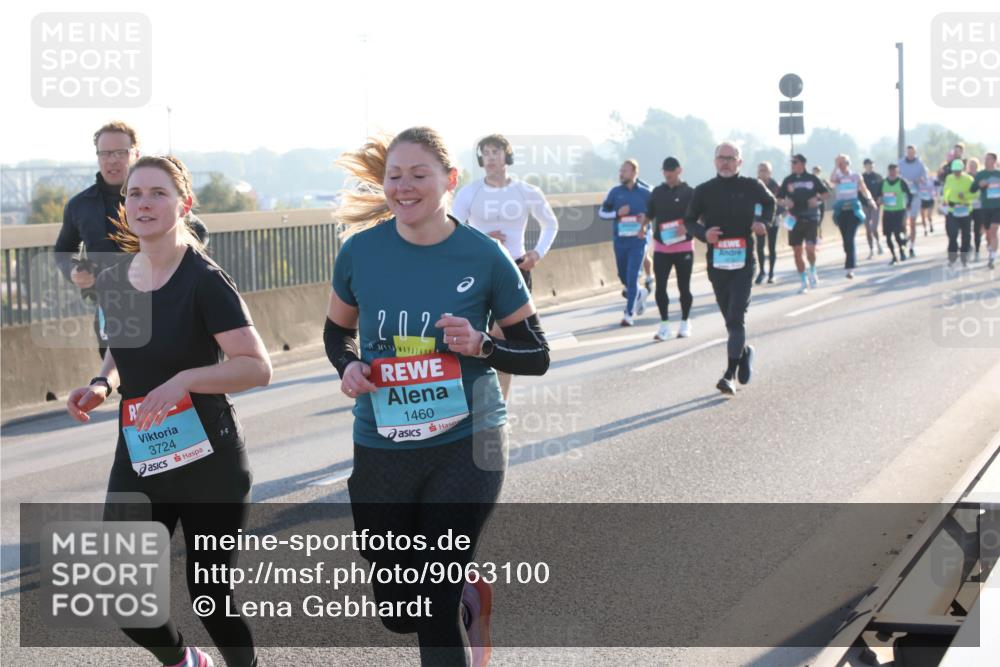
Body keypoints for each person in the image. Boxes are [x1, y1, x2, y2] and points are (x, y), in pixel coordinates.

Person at [326, 127, 550, 666]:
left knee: (432, 602)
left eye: (419, 175)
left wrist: (482, 345)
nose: (404, 187)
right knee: (399, 610)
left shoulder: (484, 257)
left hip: (469, 442)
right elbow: (337, 333)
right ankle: (471, 594)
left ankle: (454, 594)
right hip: (382, 443)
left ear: (450, 181)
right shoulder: (360, 252)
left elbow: (537, 353)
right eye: (394, 177)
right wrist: (349, 364)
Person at [64, 155, 271, 667]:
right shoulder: (117, 277)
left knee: (210, 598)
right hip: (141, 455)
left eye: (158, 193)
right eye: (135, 194)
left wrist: (184, 380)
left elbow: (256, 367)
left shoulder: (205, 279)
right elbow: (122, 346)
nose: (144, 203)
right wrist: (101, 382)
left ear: (184, 203)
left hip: (209, 460)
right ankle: (184, 662)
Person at [55, 121, 208, 360]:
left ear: (136, 154)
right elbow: (63, 250)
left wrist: (168, 268)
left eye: (120, 153)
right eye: (105, 153)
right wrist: (74, 270)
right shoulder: (79, 205)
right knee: (122, 378)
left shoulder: (155, 196)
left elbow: (199, 231)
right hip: (111, 305)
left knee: (165, 370)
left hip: (161, 301)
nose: (112, 160)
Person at [452, 133, 559, 397]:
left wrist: (537, 253)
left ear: (507, 157)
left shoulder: (526, 191)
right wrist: (482, 238)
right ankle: (475, 396)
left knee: (501, 340)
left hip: (515, 270)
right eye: (485, 153)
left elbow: (551, 223)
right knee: (478, 340)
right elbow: (452, 230)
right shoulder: (470, 192)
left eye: (495, 152)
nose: (490, 158)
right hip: (476, 273)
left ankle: (500, 404)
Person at [684, 141, 775, 396]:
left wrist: (762, 221)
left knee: (736, 317)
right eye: (721, 158)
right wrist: (703, 233)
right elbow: (688, 220)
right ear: (714, 161)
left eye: (731, 158)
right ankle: (744, 352)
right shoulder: (703, 191)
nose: (725, 162)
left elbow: (770, 203)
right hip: (718, 263)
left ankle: (729, 375)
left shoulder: (752, 186)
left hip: (744, 261)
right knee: (730, 320)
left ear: (740, 162)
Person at [646, 157, 695, 340]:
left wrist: (688, 226)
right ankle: (664, 325)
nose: (667, 174)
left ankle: (685, 322)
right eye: (665, 171)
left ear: (679, 171)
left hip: (683, 247)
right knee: (661, 288)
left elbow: (699, 217)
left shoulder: (690, 192)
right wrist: (642, 227)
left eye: (671, 171)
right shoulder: (658, 192)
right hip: (662, 247)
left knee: (684, 287)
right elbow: (649, 214)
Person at [599, 159, 653, 326]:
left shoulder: (646, 193)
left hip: (638, 241)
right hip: (620, 241)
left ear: (634, 173)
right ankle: (638, 294)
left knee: (632, 276)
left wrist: (646, 220)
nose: (621, 174)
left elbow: (656, 211)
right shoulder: (615, 192)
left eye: (625, 171)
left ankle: (629, 314)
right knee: (623, 277)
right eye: (620, 170)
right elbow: (602, 212)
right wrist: (617, 213)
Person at [779, 154, 828, 293]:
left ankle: (813, 269)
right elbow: (779, 198)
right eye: (792, 163)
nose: (793, 165)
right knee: (797, 252)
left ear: (803, 164)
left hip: (811, 217)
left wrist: (817, 199)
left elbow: (826, 194)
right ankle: (803, 281)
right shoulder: (788, 180)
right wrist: (785, 202)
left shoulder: (812, 179)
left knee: (810, 249)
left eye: (795, 162)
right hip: (794, 219)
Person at [829, 154, 877, 279]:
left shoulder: (855, 176)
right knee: (846, 240)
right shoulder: (837, 177)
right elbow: (831, 181)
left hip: (853, 211)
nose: (841, 164)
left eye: (843, 162)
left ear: (848, 163)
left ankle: (850, 268)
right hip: (841, 211)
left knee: (850, 237)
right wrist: (835, 166)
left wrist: (870, 200)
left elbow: (864, 189)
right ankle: (850, 259)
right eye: (839, 162)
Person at [943, 158, 976, 267]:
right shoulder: (949, 178)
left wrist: (966, 197)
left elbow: (976, 194)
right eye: (954, 171)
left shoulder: (969, 179)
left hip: (966, 210)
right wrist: (945, 199)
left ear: (962, 169)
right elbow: (946, 190)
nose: (956, 173)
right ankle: (952, 257)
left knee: (966, 235)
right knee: (952, 234)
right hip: (953, 210)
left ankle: (964, 256)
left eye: (958, 171)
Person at [969, 151, 1000, 270]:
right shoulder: (981, 175)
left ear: (994, 161)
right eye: (985, 159)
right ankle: (990, 246)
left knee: (994, 229)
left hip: (998, 206)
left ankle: (992, 257)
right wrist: (979, 185)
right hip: (986, 207)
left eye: (988, 159)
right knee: (988, 233)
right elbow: (972, 189)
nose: (986, 161)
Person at [898, 145, 929, 258]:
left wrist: (920, 180)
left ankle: (911, 246)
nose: (910, 154)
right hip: (904, 196)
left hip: (916, 195)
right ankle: (904, 240)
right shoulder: (900, 163)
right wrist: (904, 182)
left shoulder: (920, 164)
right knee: (903, 222)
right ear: (907, 152)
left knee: (912, 222)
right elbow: (897, 177)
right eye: (909, 152)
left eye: (912, 152)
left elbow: (925, 179)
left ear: (915, 153)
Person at [880, 164, 913, 265]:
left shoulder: (901, 182)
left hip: (899, 211)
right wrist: (879, 200)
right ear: (888, 171)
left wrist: (908, 204)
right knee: (888, 236)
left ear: (897, 171)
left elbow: (909, 194)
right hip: (887, 212)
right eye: (890, 170)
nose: (892, 172)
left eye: (894, 171)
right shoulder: (883, 182)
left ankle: (902, 251)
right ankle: (894, 256)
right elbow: (877, 194)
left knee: (897, 233)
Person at [755, 162, 782, 284]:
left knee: (772, 247)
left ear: (770, 172)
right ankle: (761, 272)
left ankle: (771, 273)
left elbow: (781, 203)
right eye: (760, 170)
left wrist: (774, 214)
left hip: (773, 220)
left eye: (765, 170)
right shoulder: (754, 185)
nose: (762, 172)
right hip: (759, 220)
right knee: (760, 246)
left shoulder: (775, 186)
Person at [861, 159, 884, 258]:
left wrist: (880, 198)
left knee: (873, 227)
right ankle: (871, 249)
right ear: (865, 166)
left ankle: (878, 243)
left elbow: (883, 189)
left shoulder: (878, 177)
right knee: (867, 228)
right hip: (865, 205)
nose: (870, 166)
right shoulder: (861, 178)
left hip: (875, 205)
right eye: (868, 165)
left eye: (871, 165)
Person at [967, 158, 986, 261]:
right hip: (968, 207)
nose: (972, 166)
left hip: (979, 206)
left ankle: (977, 251)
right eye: (971, 165)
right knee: (966, 229)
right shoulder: (965, 177)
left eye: (974, 165)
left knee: (977, 229)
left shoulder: (981, 176)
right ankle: (969, 246)